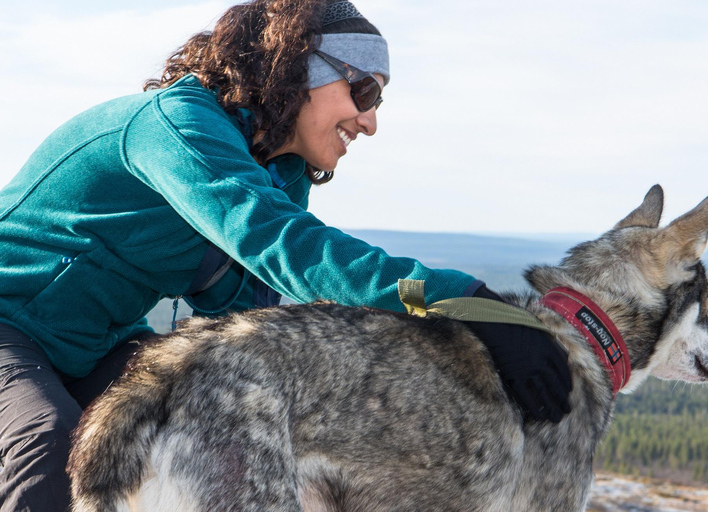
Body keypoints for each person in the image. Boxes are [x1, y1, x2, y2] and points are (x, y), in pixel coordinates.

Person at [0, 1, 572, 509]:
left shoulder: (277, 171)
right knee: (49, 450)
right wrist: (461, 300)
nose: (371, 122)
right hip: (8, 329)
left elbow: (261, 306)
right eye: (364, 92)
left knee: (205, 418)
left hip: (89, 348)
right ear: (299, 68)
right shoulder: (175, 127)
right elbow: (288, 247)